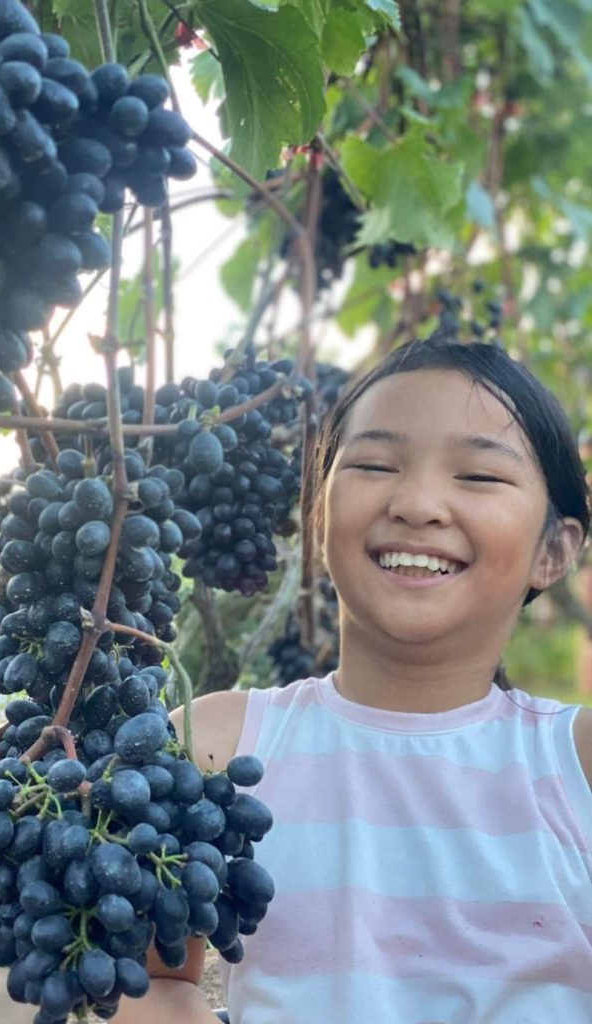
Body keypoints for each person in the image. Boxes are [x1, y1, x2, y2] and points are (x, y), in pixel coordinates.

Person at [111, 339, 592, 1023]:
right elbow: (156, 983)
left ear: (553, 550)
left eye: (479, 477)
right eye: (372, 464)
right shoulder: (216, 745)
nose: (418, 503)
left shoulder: (576, 764)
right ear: (318, 517)